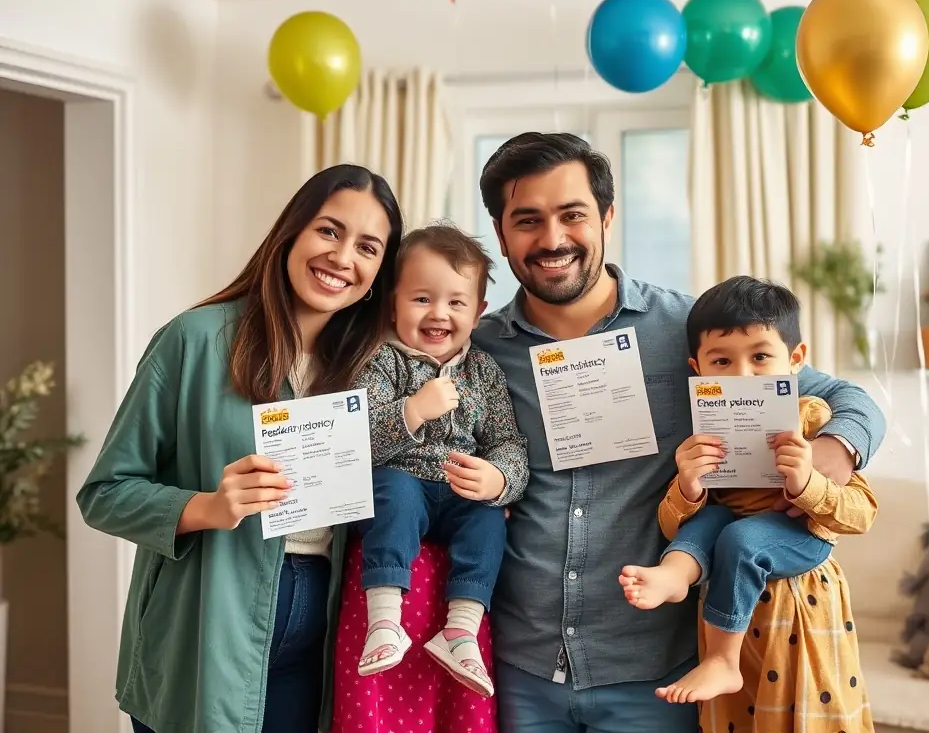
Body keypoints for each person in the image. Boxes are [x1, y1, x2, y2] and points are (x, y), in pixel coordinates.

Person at [470, 132, 886, 732]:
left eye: (573, 215)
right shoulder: (478, 348)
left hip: (655, 674)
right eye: (527, 220)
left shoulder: (691, 333)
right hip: (520, 666)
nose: (553, 238)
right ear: (501, 232)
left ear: (609, 217)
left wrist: (832, 454)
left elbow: (849, 398)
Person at [75, 164, 404, 733]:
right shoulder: (195, 339)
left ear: (378, 273)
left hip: (321, 635)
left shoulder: (371, 370)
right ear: (291, 234)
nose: (343, 257)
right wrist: (208, 506)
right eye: (329, 231)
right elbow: (105, 493)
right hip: (204, 632)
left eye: (368, 247)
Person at [618, 275, 877, 718]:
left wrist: (807, 482)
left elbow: (861, 514)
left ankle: (723, 660)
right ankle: (674, 576)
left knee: (742, 537)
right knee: (717, 524)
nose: (742, 374)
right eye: (721, 361)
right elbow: (675, 524)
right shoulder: (703, 428)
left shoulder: (813, 419)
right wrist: (689, 486)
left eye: (760, 357)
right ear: (696, 367)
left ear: (796, 359)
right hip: (733, 598)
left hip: (798, 588)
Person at [354, 224, 529, 698]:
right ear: (393, 303)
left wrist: (497, 479)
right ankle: (385, 621)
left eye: (455, 302)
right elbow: (354, 446)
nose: (438, 314)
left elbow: (508, 442)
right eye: (421, 299)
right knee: (394, 491)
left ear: (478, 313)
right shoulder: (381, 361)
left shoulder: (484, 371)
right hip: (400, 482)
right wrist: (411, 410)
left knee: (489, 519)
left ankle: (460, 631)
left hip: (457, 491)